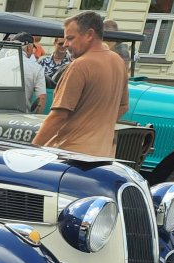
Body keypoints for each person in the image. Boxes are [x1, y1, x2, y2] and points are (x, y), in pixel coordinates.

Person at [32, 11, 128, 158]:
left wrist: (31, 150)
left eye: (70, 38)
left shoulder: (80, 65)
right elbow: (123, 106)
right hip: (104, 155)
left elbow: (58, 116)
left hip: (72, 155)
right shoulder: (118, 62)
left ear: (89, 34)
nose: (66, 44)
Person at [12, 32, 47, 113]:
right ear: (29, 47)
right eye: (33, 48)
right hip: (21, 117)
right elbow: (42, 98)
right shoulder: (36, 68)